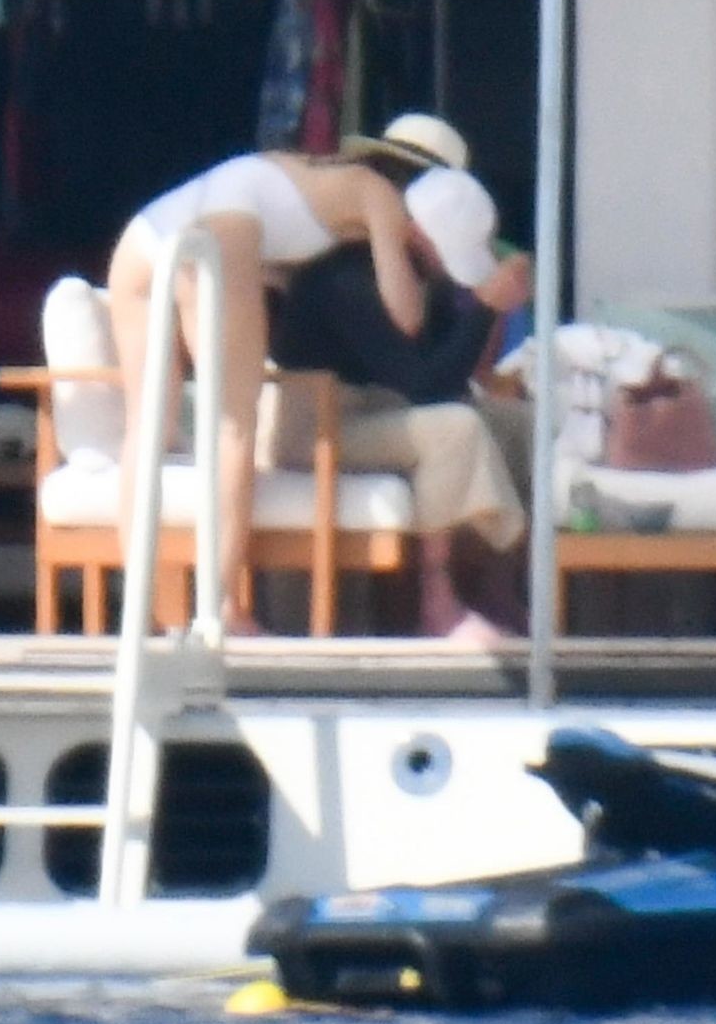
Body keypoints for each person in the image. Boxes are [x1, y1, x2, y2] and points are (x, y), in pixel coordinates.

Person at [102, 114, 471, 635]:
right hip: (221, 232)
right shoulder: (382, 199)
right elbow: (406, 316)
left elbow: (275, 263)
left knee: (147, 427)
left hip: (147, 232)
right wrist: (413, 254)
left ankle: (140, 609)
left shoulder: (311, 172)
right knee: (233, 428)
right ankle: (220, 609)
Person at [268, 166, 535, 643]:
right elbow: (423, 385)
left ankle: (499, 583)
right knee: (454, 429)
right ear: (414, 233)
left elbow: (447, 374)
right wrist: (485, 309)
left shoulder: (420, 281)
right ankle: (438, 601)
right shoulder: (347, 277)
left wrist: (486, 310)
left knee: (517, 424)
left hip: (381, 409)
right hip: (322, 425)